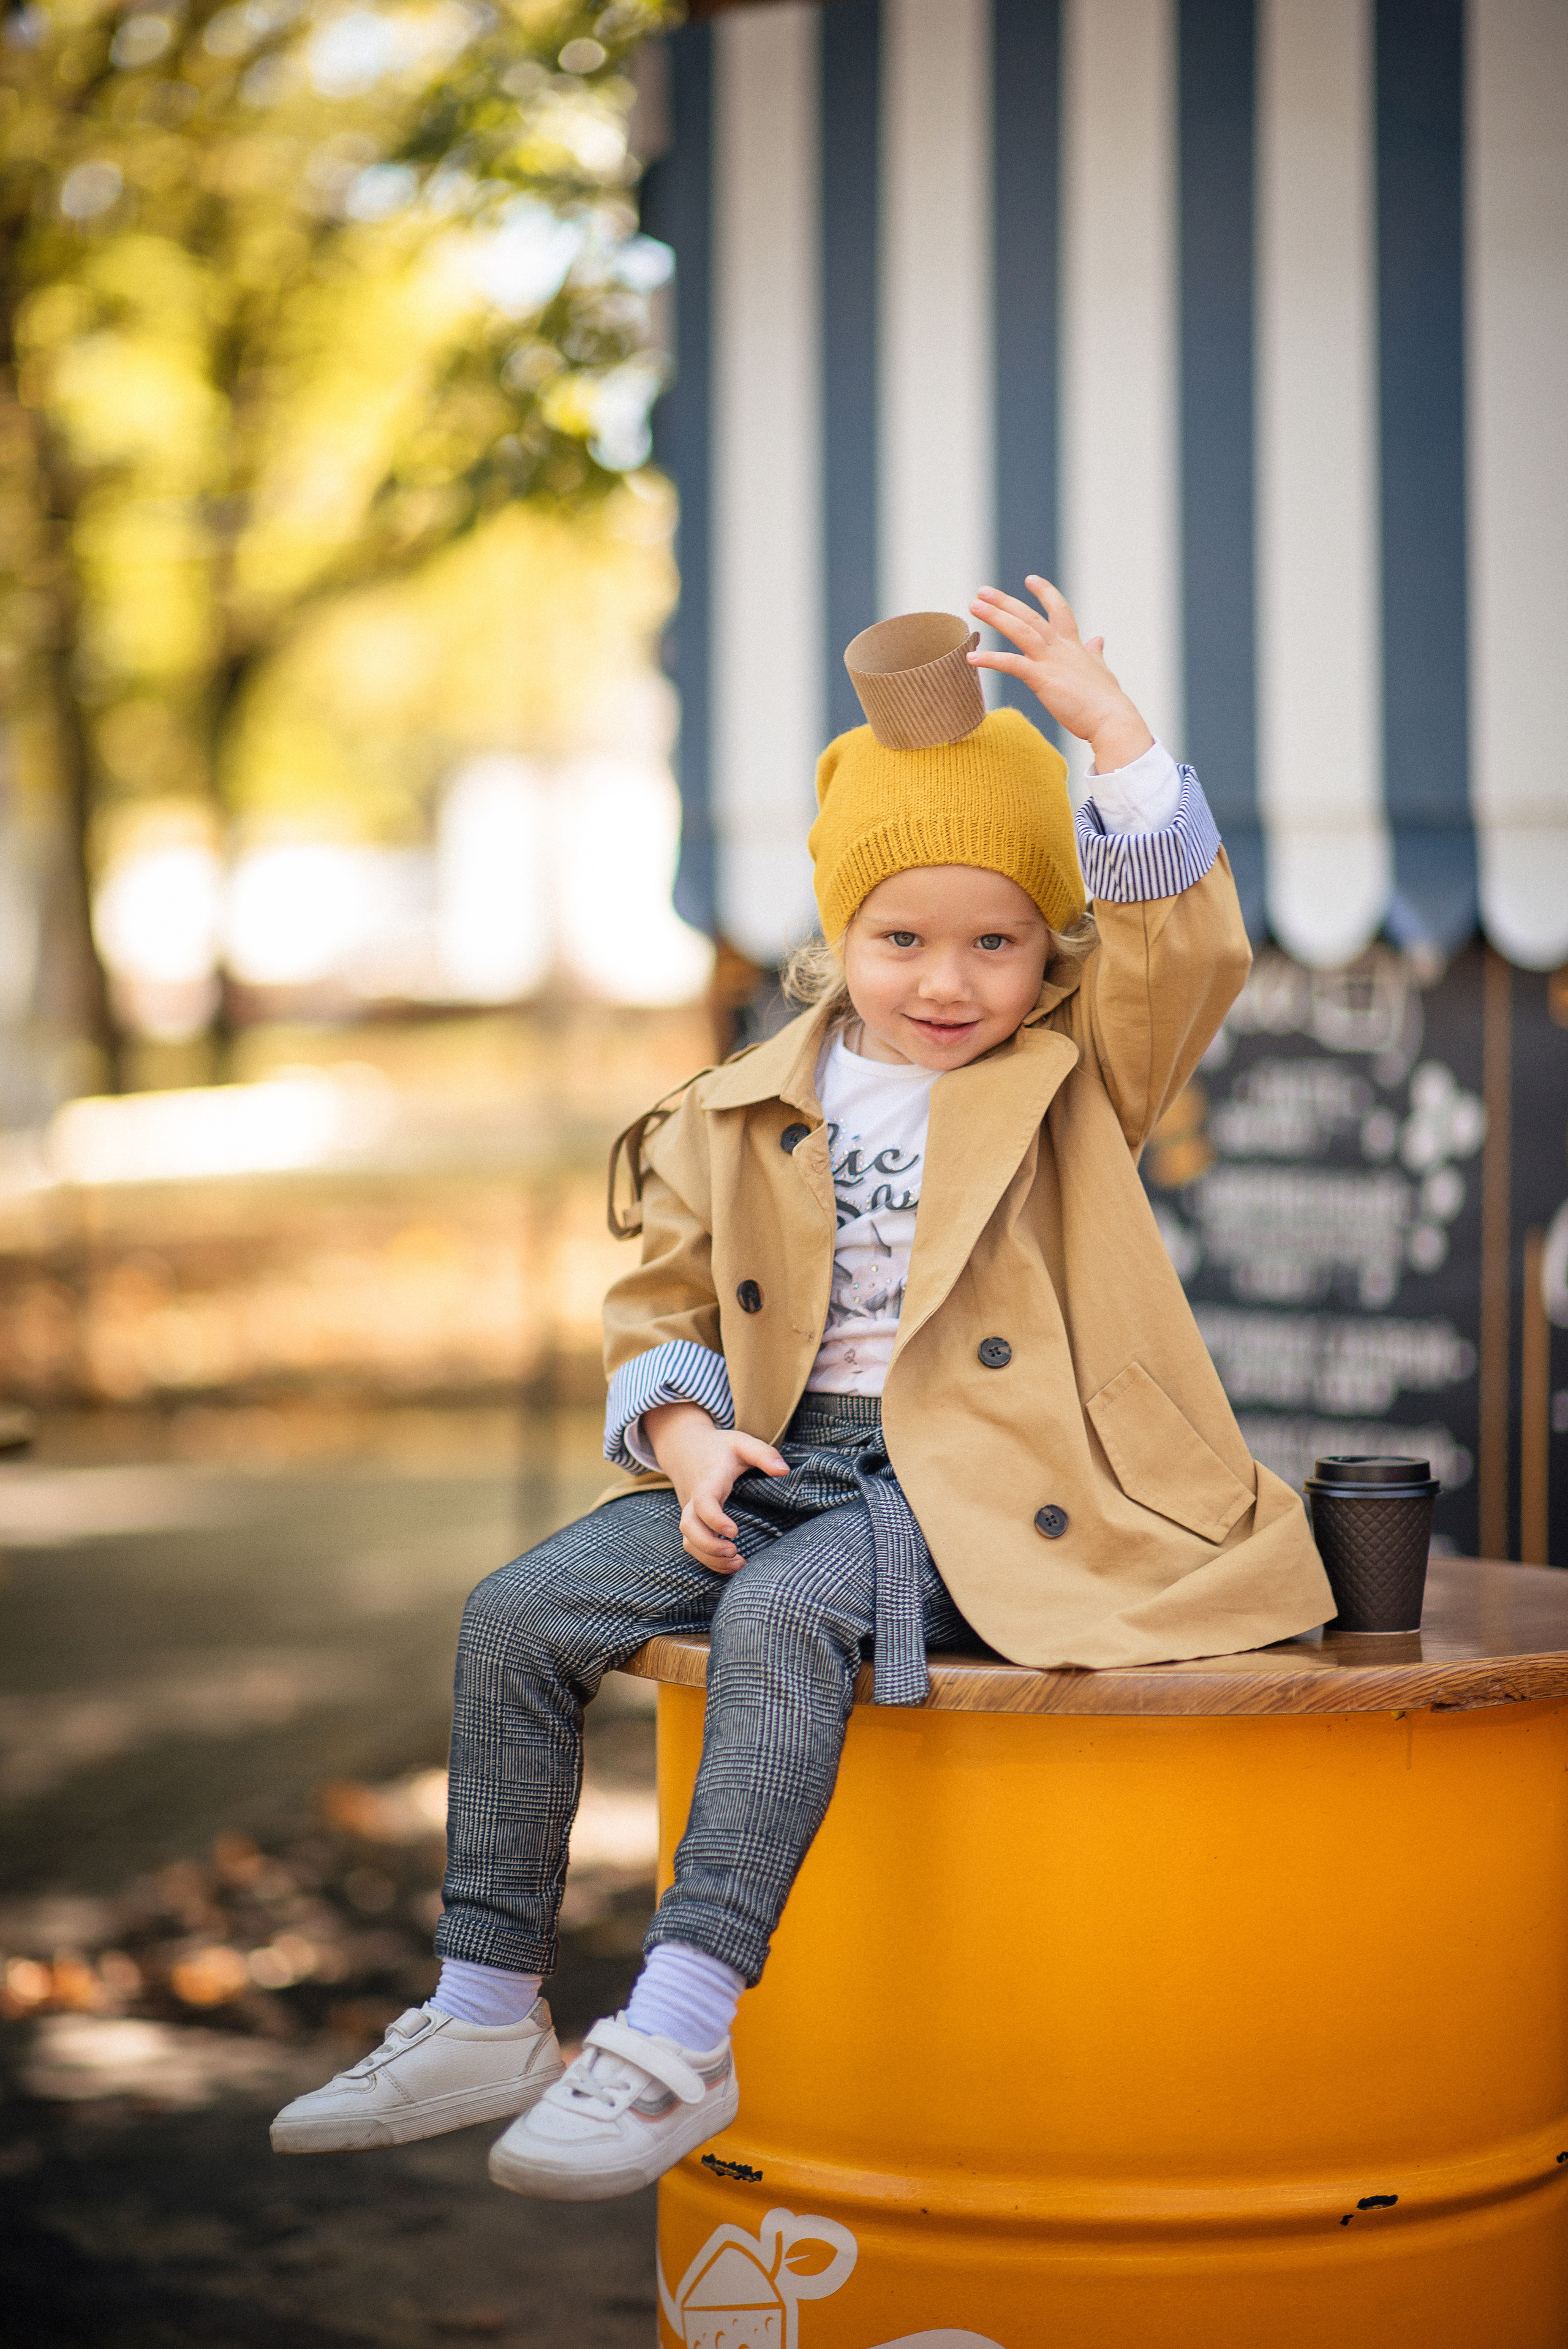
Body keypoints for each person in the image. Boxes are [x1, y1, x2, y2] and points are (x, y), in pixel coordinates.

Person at [270, 577, 1333, 2200]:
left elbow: (1182, 947)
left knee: (783, 1620)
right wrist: (692, 1443)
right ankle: (485, 2006)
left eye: (995, 942)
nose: (948, 980)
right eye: (902, 938)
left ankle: (682, 2026)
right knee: (518, 1613)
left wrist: (1110, 734)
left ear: (1050, 949)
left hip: (985, 1476)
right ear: (836, 937)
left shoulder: (1079, 1069)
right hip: (781, 1460)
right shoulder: (739, 1101)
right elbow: (664, 1299)